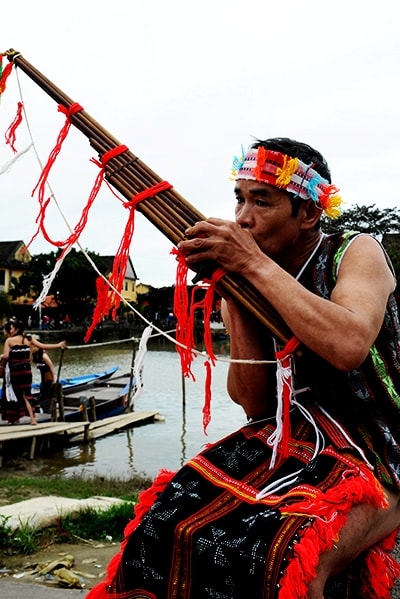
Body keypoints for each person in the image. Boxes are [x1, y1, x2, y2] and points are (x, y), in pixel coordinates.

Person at [87, 138, 400, 599]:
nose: (242, 218)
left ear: (309, 214)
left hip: (383, 452)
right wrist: (235, 293)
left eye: (262, 201)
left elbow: (347, 345)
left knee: (289, 559)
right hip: (296, 445)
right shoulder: (253, 275)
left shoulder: (353, 252)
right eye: (239, 199)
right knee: (166, 528)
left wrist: (251, 263)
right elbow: (255, 403)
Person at [0, 317, 67, 425]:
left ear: (17, 329)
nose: (11, 330)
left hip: (16, 372)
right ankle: (32, 418)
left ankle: (14, 418)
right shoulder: (29, 339)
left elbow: (7, 356)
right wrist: (58, 345)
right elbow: (44, 346)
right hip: (27, 371)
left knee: (16, 395)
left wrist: (2, 357)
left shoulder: (9, 340)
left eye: (12, 328)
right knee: (27, 395)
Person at [31, 347, 57, 412]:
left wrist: (54, 379)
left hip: (49, 379)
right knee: (42, 394)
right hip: (43, 380)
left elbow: (52, 367)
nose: (32, 348)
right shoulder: (36, 356)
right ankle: (45, 409)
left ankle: (49, 410)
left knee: (47, 395)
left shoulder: (44, 356)